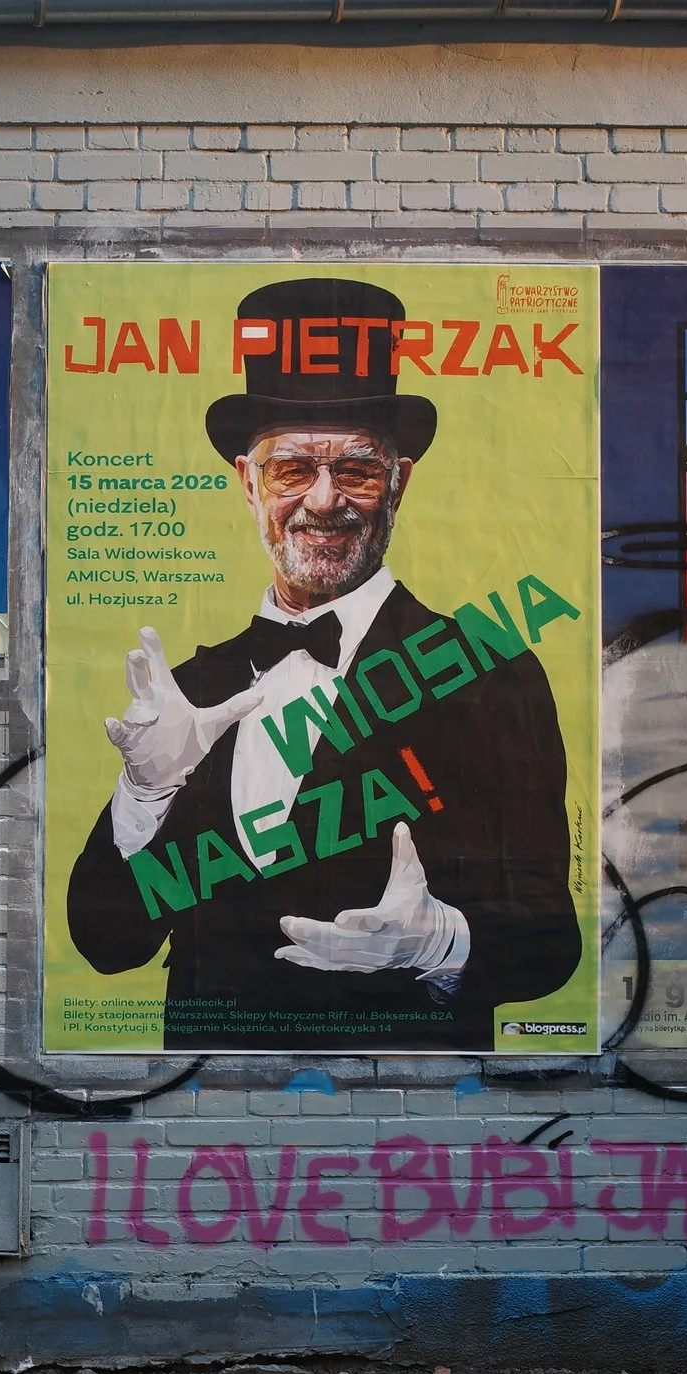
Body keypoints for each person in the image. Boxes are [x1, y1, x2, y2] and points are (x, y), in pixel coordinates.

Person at [64, 277, 581, 1051]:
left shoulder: (486, 673)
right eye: (292, 469)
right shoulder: (191, 691)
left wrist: (438, 941)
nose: (325, 499)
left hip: (409, 1092)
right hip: (208, 1099)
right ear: (248, 484)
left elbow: (551, 939)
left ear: (400, 483)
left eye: (358, 471)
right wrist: (146, 792)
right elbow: (107, 942)